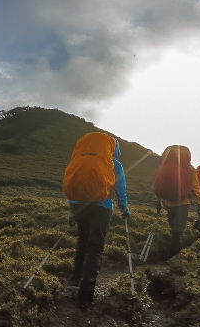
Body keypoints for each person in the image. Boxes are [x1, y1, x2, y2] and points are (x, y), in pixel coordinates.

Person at [62, 132, 130, 309]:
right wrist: (124, 209)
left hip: (78, 206)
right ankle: (85, 295)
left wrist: (72, 214)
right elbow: (120, 190)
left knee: (82, 240)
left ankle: (74, 280)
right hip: (102, 207)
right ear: (112, 148)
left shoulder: (78, 160)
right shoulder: (114, 164)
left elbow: (74, 189)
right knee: (95, 247)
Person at [154, 145, 200, 257]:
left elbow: (159, 186)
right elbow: (195, 188)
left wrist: (158, 202)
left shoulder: (163, 167)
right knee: (178, 230)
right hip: (183, 202)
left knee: (175, 229)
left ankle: (175, 253)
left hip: (169, 202)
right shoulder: (190, 169)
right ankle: (172, 256)